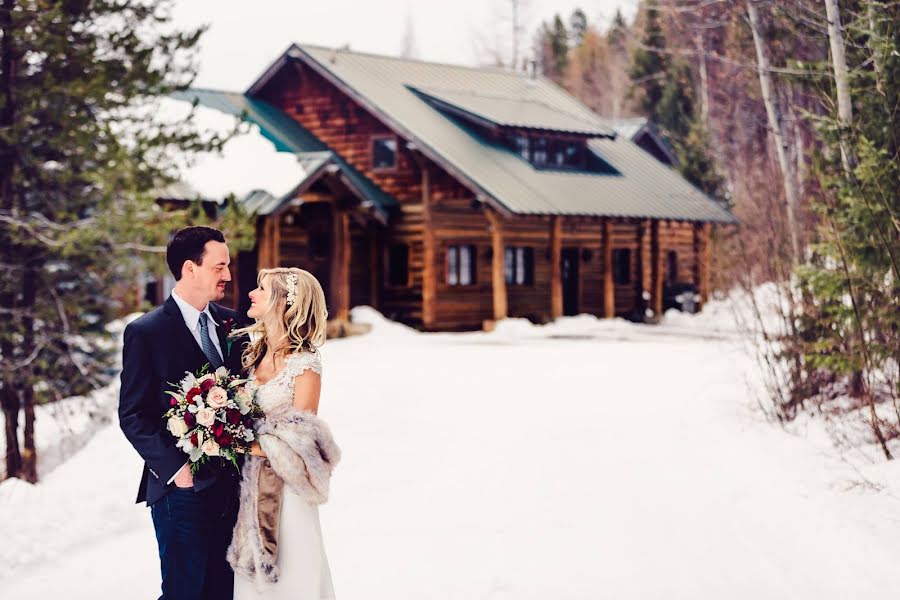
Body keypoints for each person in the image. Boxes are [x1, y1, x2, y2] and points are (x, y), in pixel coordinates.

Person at [118, 226, 247, 600]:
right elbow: (133, 414)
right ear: (190, 268)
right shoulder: (146, 332)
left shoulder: (235, 324)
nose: (227, 275)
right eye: (218, 267)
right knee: (184, 593)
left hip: (232, 490)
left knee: (224, 592)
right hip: (180, 491)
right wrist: (179, 471)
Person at [228, 267, 339, 600]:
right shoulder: (253, 352)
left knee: (293, 575)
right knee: (254, 582)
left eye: (261, 289)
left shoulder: (304, 363)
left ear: (283, 303)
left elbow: (301, 435)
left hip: (287, 491)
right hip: (247, 485)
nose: (252, 293)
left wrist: (240, 441)